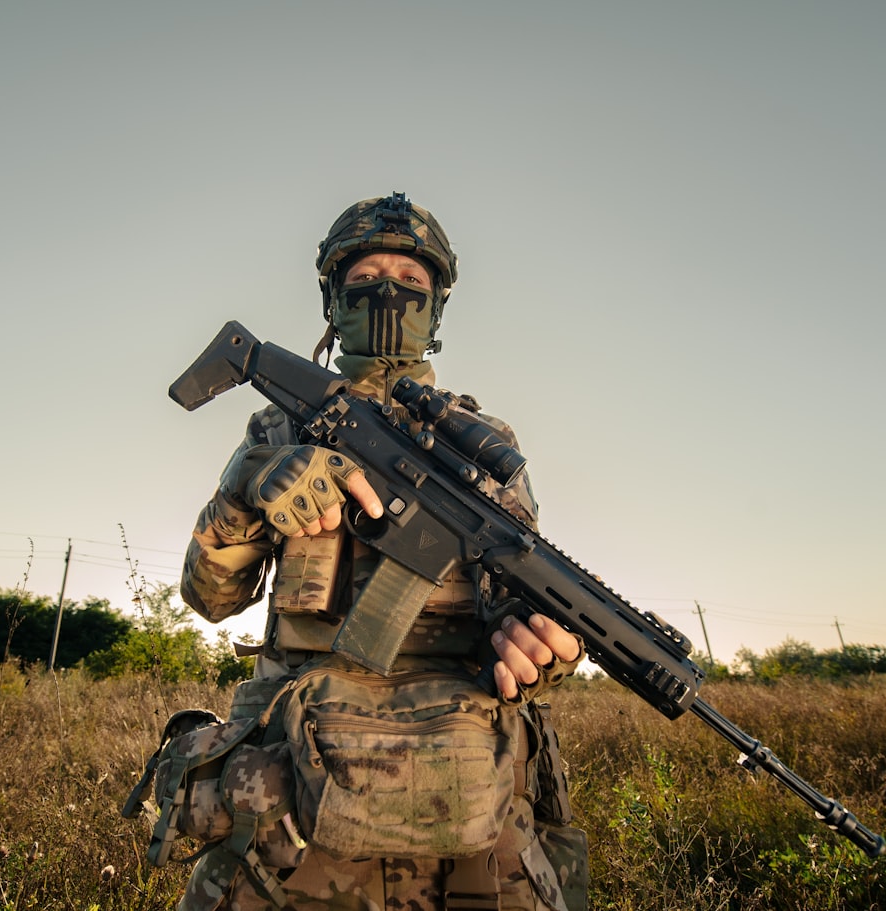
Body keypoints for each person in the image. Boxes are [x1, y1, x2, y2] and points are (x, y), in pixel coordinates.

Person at [177, 192, 588, 911]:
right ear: (333, 303)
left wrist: (538, 648)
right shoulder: (280, 426)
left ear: (438, 307)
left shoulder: (485, 447)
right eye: (367, 278)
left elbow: (521, 596)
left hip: (468, 801)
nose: (390, 292)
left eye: (411, 279)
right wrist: (247, 488)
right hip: (291, 805)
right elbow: (211, 597)